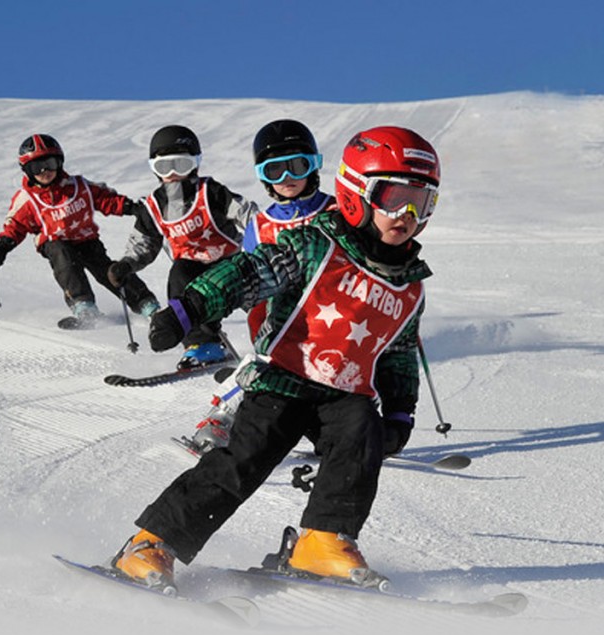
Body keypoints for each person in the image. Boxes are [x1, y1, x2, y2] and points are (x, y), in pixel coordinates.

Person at [109, 126, 442, 591]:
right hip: (284, 378)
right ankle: (151, 543)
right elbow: (249, 271)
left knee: (361, 430)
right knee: (241, 462)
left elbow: (398, 352)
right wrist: (191, 308)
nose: (406, 213)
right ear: (354, 192)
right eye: (392, 197)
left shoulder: (410, 286)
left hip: (344, 392)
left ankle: (322, 539)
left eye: (421, 201)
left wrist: (401, 412)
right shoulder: (315, 245)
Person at [183, 119, 335, 454]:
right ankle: (225, 415)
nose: (287, 178)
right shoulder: (262, 225)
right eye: (274, 171)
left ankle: (334, 433)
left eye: (297, 166)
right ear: (262, 177)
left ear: (314, 165)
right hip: (281, 323)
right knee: (271, 365)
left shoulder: (337, 211)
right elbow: (249, 275)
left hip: (334, 316)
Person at [106, 125, 257, 368]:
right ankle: (201, 344)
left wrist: (264, 237)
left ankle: (279, 340)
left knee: (262, 295)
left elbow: (247, 214)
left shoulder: (211, 193)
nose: (174, 173)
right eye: (165, 167)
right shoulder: (153, 206)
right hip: (191, 267)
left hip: (230, 264)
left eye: (182, 165)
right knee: (179, 277)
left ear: (196, 164)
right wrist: (126, 264)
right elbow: (144, 242)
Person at [0, 134, 159, 327]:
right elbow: (16, 225)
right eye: (37, 167)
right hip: (54, 242)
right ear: (27, 170)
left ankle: (146, 304)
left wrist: (131, 208)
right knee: (65, 260)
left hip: (86, 240)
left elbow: (105, 199)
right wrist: (3, 246)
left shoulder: (79, 186)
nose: (45, 171)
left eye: (50, 164)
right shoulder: (27, 199)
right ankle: (84, 306)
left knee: (108, 270)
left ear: (59, 163)